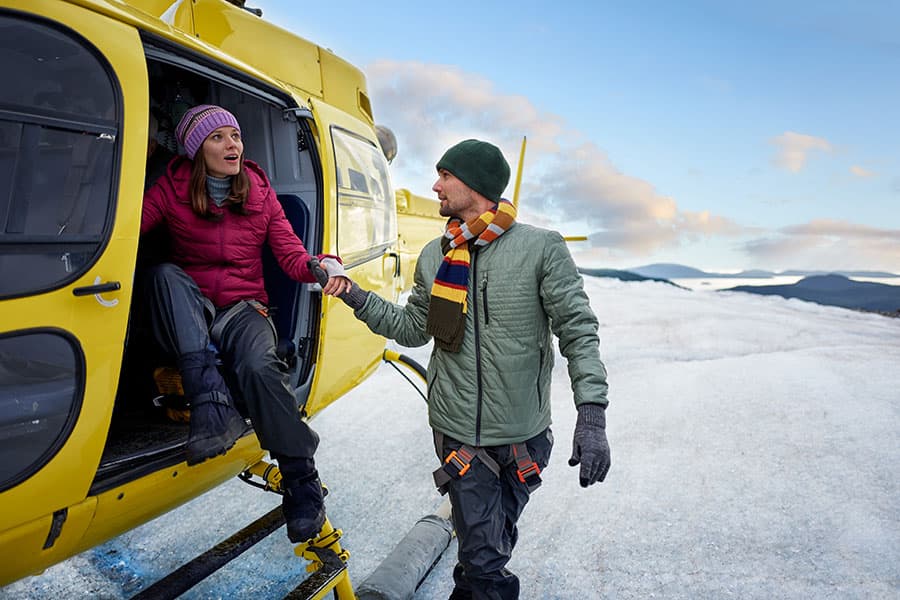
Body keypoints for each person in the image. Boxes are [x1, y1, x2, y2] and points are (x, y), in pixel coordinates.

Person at [314, 139, 612, 599]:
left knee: (487, 547)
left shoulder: (541, 248)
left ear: (474, 184)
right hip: (458, 437)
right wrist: (353, 293)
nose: (435, 185)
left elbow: (577, 329)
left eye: (445, 176)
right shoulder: (435, 256)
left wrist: (591, 412)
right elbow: (413, 328)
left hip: (523, 438)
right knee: (485, 562)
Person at [141, 104, 351, 543]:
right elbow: (130, 227)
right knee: (163, 274)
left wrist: (321, 266)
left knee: (260, 365)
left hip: (243, 307)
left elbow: (292, 254)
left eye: (235, 135)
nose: (232, 144)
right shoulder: (171, 187)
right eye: (218, 138)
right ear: (197, 150)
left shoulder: (258, 191)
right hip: (189, 309)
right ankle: (212, 408)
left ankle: (301, 481)